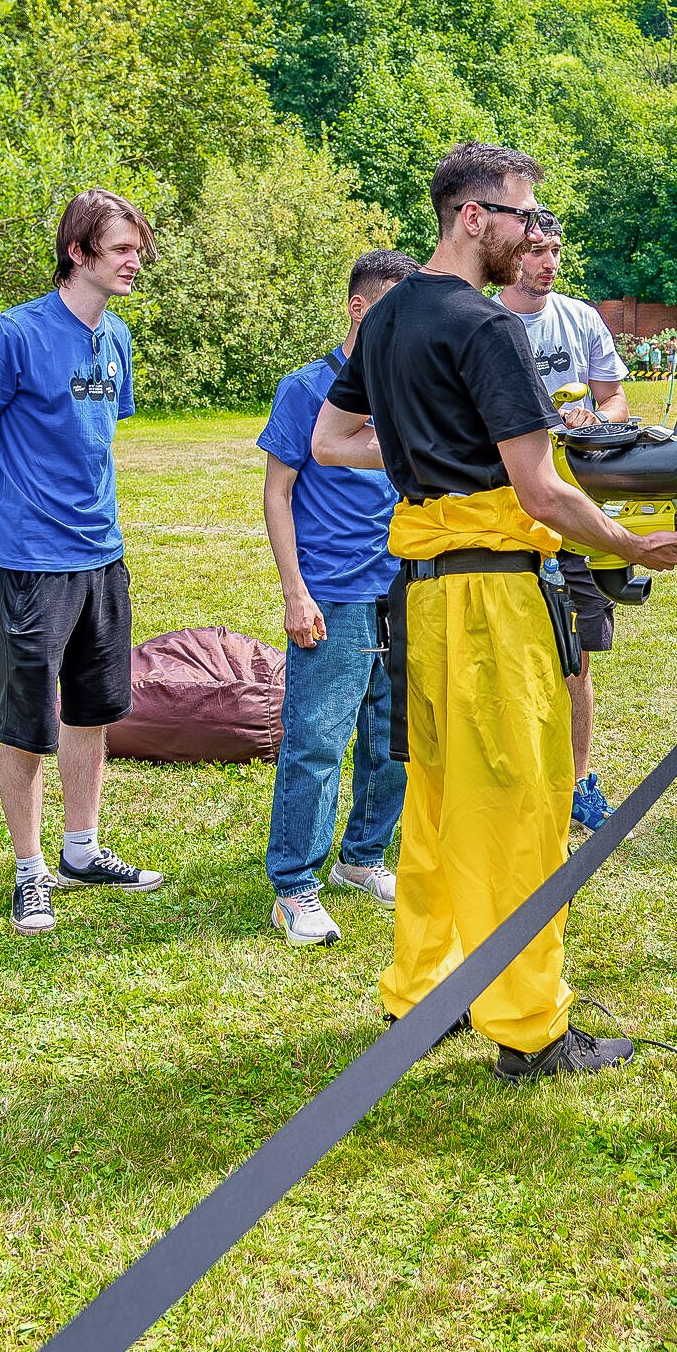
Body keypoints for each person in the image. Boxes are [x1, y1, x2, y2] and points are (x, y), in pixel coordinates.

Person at [312, 142, 677, 1081]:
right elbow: (539, 489)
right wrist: (631, 544)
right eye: (526, 215)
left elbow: (333, 441)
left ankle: (425, 995)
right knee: (523, 806)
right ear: (472, 217)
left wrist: (424, 465)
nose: (537, 232)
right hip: (494, 597)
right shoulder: (489, 330)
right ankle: (529, 1030)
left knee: (440, 803)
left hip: (426, 596)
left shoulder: (390, 316)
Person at [0, 189, 165, 937]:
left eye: (138, 249)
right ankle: (28, 868)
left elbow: (97, 442)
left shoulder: (118, 339)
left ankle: (81, 849)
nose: (137, 261)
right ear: (79, 252)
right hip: (30, 560)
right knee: (26, 721)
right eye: (122, 250)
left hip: (102, 553)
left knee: (92, 710)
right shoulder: (12, 337)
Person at [255, 249, 421, 946]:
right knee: (319, 740)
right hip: (333, 593)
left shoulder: (408, 387)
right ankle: (294, 886)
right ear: (360, 308)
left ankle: (363, 857)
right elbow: (277, 493)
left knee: (394, 739)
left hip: (405, 586)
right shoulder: (306, 388)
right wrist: (297, 592)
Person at [495, 209, 630, 833]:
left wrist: (597, 422)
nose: (547, 262)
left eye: (554, 250)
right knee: (503, 655)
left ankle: (579, 781)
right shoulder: (483, 320)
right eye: (535, 251)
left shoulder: (579, 319)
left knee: (575, 656)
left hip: (572, 510)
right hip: (499, 514)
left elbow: (611, 394)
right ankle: (510, 778)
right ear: (506, 250)